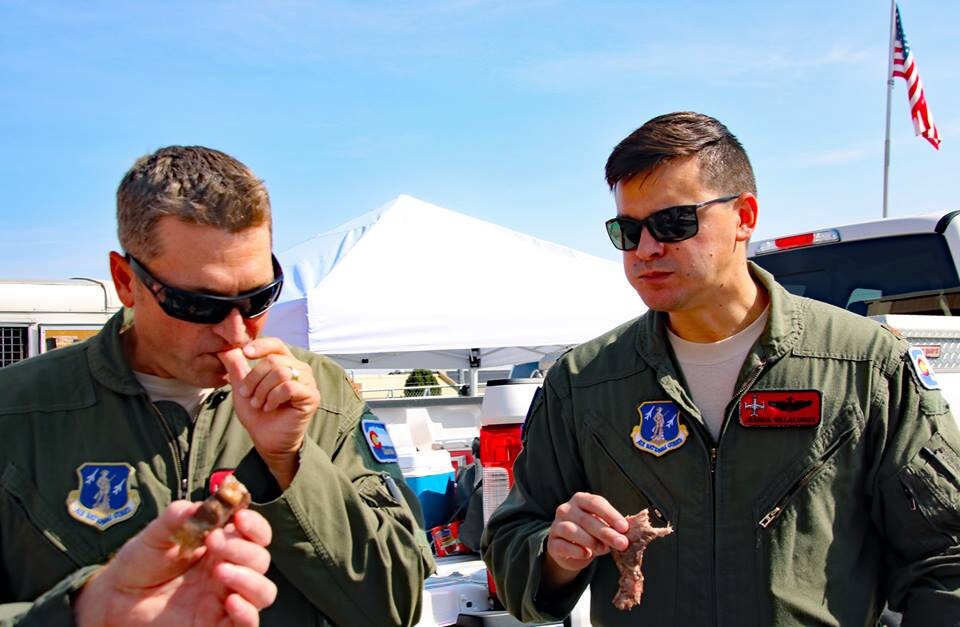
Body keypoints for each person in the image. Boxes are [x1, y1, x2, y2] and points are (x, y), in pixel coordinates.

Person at [482, 112, 960, 626]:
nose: (646, 249)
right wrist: (555, 556)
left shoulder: (863, 366)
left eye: (674, 223)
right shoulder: (585, 380)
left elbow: (945, 558)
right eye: (628, 230)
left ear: (744, 217)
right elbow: (512, 542)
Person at [0, 146, 433, 626]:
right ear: (126, 281)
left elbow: (396, 605)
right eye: (199, 304)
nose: (236, 332)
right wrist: (83, 612)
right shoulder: (16, 414)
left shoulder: (322, 395)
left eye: (258, 297)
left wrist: (290, 462)